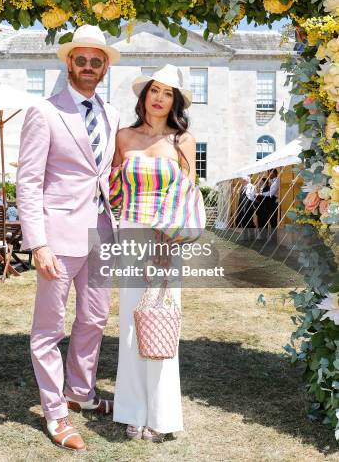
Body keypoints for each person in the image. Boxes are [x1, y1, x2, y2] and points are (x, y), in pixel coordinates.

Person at [16, 24, 120, 452]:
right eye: (82, 60)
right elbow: (28, 181)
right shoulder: (45, 111)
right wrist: (37, 242)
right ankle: (56, 413)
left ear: (104, 67)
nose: (89, 67)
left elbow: (106, 174)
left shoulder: (111, 114)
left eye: (97, 61)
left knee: (94, 320)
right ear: (69, 62)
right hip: (57, 237)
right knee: (48, 329)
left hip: (102, 233)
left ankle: (80, 392)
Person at [109, 64, 198, 442]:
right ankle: (132, 410)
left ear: (175, 101)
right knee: (131, 323)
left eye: (168, 93)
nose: (159, 98)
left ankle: (160, 416)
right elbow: (113, 189)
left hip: (167, 241)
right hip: (131, 233)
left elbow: (189, 195)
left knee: (162, 320)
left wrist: (169, 240)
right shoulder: (124, 137)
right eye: (154, 91)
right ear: (144, 96)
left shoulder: (183, 141)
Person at [235, 176, 256, 240]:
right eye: (242, 181)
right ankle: (245, 236)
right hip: (242, 206)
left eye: (243, 181)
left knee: (249, 221)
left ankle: (252, 236)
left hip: (248, 206)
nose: (242, 182)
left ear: (247, 181)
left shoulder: (251, 186)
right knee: (243, 221)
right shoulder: (243, 187)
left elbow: (252, 197)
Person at [259, 169, 280, 234]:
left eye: (270, 173)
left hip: (274, 202)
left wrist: (261, 194)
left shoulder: (276, 181)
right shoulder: (273, 181)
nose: (269, 175)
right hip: (271, 202)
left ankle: (274, 238)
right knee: (271, 220)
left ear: (273, 173)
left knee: (273, 221)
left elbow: (271, 193)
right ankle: (272, 236)